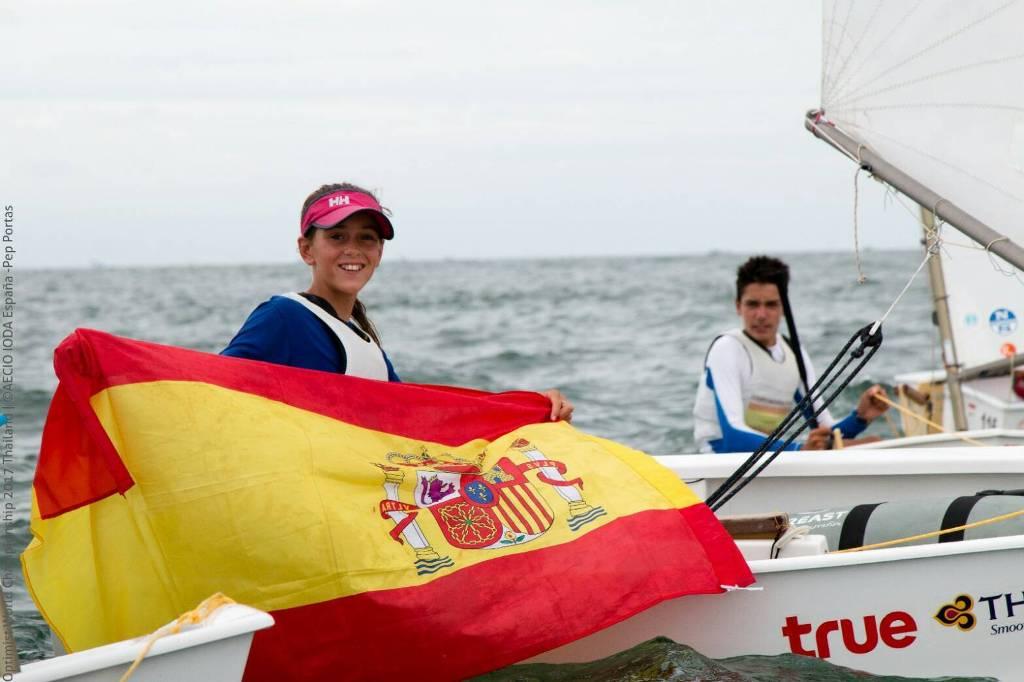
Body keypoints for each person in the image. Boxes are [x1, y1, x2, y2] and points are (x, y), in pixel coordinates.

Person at [223, 182, 573, 421]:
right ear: (306, 249)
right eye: (337, 236)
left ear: (379, 251)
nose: (353, 249)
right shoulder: (285, 317)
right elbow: (207, 393)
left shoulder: (364, 344)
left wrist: (528, 409)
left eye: (367, 238)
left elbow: (416, 417)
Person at [693, 255, 889, 453]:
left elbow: (825, 431)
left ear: (784, 308)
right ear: (738, 306)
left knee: (874, 444)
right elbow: (733, 438)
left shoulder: (794, 353)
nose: (761, 315)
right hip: (718, 465)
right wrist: (798, 450)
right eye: (752, 304)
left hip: (765, 464)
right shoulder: (727, 349)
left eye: (771, 305)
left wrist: (861, 418)